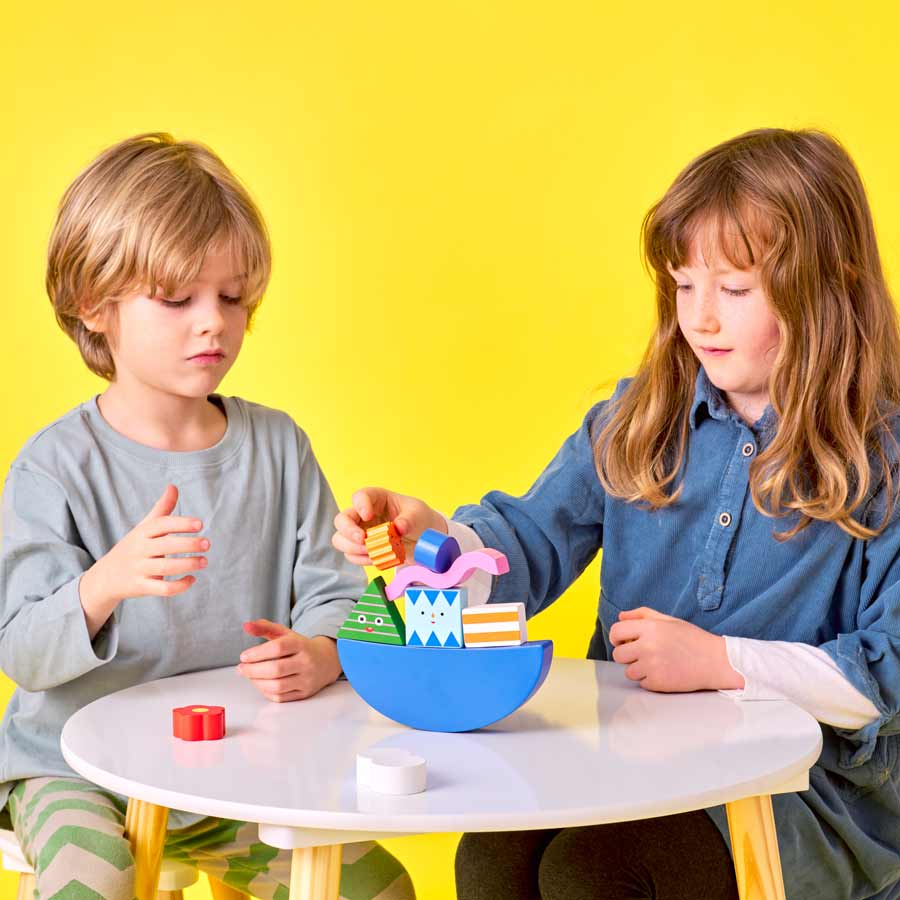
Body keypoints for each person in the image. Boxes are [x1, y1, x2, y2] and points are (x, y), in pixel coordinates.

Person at [332, 128, 900, 900]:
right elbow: (527, 544)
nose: (700, 318)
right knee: (490, 858)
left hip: (801, 794)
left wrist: (721, 663)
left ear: (827, 286)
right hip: (627, 762)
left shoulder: (884, 460)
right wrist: (436, 539)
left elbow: (886, 675)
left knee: (596, 875)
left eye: (733, 290)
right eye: (683, 285)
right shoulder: (637, 416)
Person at [0, 133, 414, 900]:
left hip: (232, 776)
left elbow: (337, 595)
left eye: (232, 298)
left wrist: (321, 652)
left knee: (375, 888)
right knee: (93, 878)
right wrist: (102, 586)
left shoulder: (278, 446)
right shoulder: (53, 467)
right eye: (176, 297)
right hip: (72, 771)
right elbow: (21, 651)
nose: (213, 323)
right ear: (95, 303)